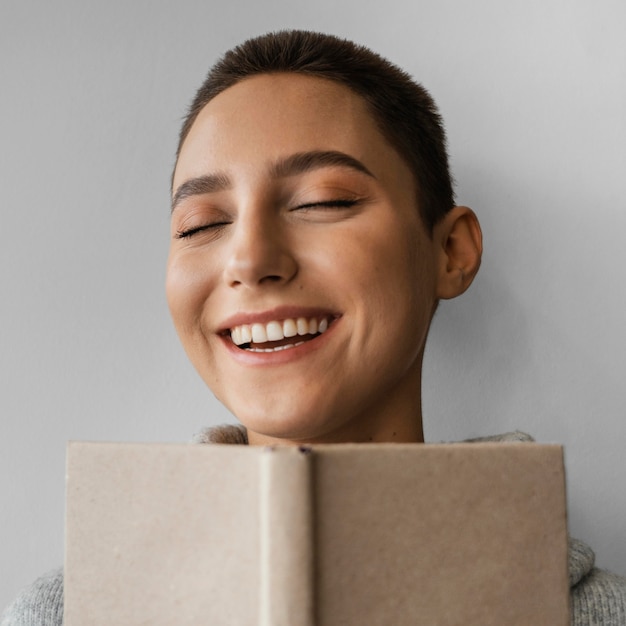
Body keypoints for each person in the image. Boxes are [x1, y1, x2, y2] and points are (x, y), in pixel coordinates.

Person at [3, 29, 625, 626]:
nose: (249, 260)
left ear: (450, 251)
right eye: (198, 225)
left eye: (323, 201)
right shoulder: (63, 614)